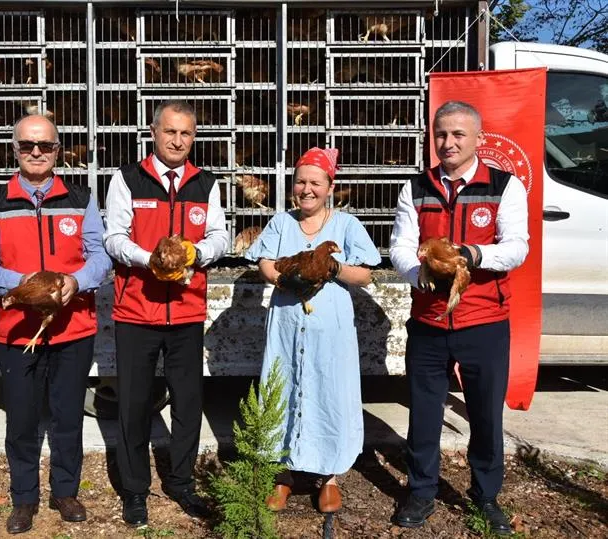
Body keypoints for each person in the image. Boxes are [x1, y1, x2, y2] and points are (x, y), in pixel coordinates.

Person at [389, 101, 529, 535]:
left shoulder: (504, 186)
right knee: (425, 412)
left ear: (478, 140)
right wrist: (420, 275)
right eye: (441, 135)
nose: (447, 143)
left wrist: (471, 254)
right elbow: (398, 247)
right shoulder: (416, 187)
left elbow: (517, 247)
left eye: (458, 135)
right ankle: (422, 490)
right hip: (429, 322)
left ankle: (485, 496)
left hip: (484, 321)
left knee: (486, 414)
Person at [0, 114, 112, 534]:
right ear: (14, 149)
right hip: (16, 329)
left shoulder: (81, 198)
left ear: (57, 150)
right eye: (28, 145)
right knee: (23, 418)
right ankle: (24, 498)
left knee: (68, 415)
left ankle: (65, 491)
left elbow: (100, 256)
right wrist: (26, 285)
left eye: (45, 146)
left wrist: (75, 281)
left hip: (72, 327)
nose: (36, 152)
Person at [103, 100, 229, 526]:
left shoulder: (205, 183)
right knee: (134, 405)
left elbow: (220, 237)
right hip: (137, 311)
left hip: (187, 313)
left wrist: (195, 254)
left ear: (194, 138)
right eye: (170, 132)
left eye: (186, 134)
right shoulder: (127, 179)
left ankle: (181, 483)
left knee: (188, 405)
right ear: (154, 132)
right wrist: (149, 259)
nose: (178, 141)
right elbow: (113, 238)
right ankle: (135, 491)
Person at [244, 147, 381, 513]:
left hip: (331, 332)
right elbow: (265, 264)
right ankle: (283, 475)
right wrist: (284, 278)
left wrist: (332, 269)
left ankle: (330, 477)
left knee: (331, 393)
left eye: (315, 182)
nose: (307, 189)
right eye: (300, 181)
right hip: (287, 328)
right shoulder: (280, 222)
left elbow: (366, 273)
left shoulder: (347, 225)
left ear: (329, 186)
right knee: (282, 389)